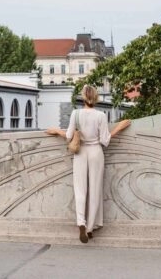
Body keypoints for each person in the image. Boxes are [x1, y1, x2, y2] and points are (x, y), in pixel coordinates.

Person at [46, 84, 131, 244]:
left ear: (83, 97)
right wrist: (119, 127)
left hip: (80, 152)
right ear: (96, 98)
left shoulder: (75, 113)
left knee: (80, 189)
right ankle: (91, 228)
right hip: (96, 153)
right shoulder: (100, 116)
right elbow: (105, 140)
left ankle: (81, 224)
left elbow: (70, 136)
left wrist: (57, 131)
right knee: (95, 189)